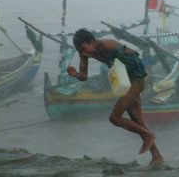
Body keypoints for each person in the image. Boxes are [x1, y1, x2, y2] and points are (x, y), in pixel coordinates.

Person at [67, 28, 164, 167]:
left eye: (84, 48)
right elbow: (84, 76)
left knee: (115, 118)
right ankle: (157, 156)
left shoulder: (109, 45)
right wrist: (75, 73)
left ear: (92, 41)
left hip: (136, 80)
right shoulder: (84, 54)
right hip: (125, 82)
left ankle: (148, 135)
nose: (83, 53)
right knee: (136, 120)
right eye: (80, 51)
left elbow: (135, 60)